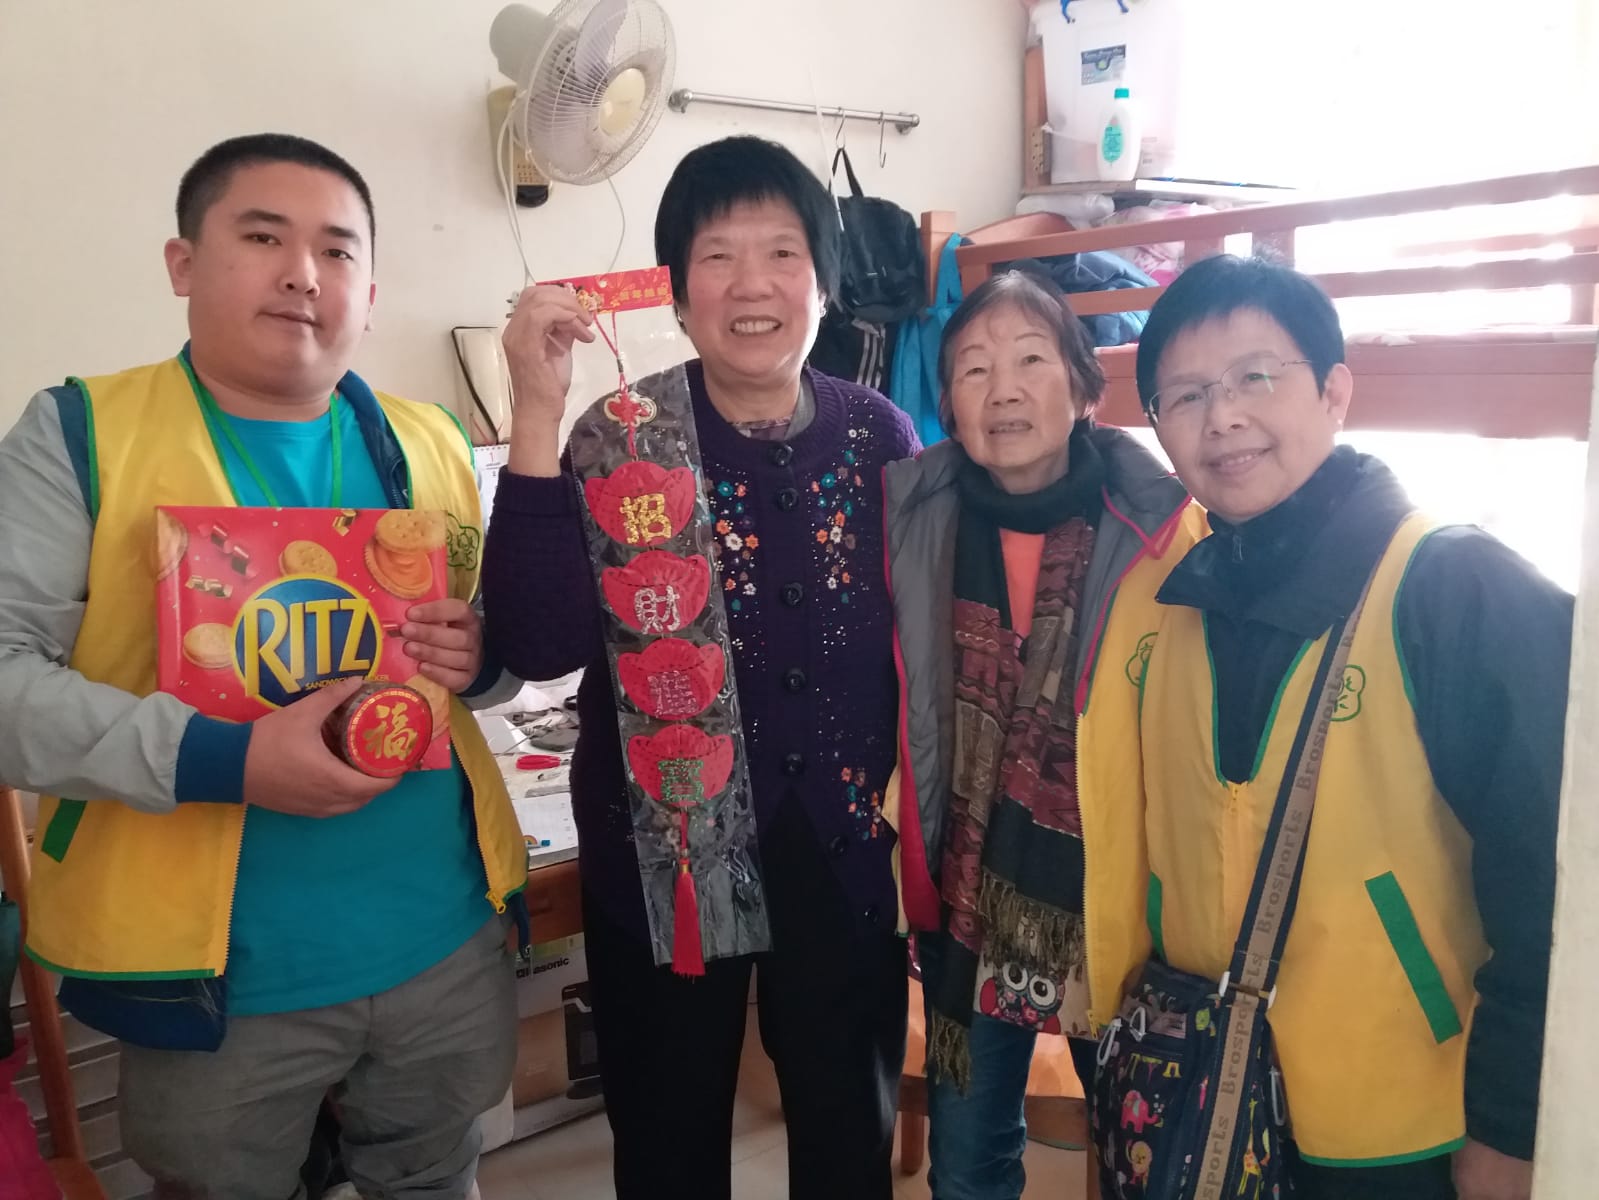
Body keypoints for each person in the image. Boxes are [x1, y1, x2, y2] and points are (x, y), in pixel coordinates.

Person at [0, 133, 528, 1200]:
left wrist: (481, 659)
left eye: (337, 250)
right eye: (261, 238)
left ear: (369, 292)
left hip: (443, 939)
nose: (302, 273)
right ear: (183, 264)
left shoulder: (432, 441)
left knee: (437, 1174)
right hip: (217, 984)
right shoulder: (79, 436)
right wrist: (226, 760)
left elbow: (491, 658)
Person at [482, 135, 919, 1199]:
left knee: (845, 1140)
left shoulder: (879, 435)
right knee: (668, 1145)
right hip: (662, 858)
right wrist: (534, 409)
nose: (753, 283)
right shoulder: (620, 435)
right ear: (676, 294)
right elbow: (537, 646)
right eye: (719, 256)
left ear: (824, 283)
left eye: (783, 252)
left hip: (842, 851)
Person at [1098, 254, 1566, 1200]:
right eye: (1184, 395)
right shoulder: (1169, 598)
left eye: (1254, 377)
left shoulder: (1451, 584)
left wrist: (1510, 1126)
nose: (1221, 417)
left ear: (1335, 391)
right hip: (1205, 1089)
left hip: (1404, 1117)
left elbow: (1550, 882)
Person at [883, 270, 1202, 1200]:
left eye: (1031, 360)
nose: (1004, 391)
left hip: (1114, 898)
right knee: (967, 1163)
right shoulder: (911, 518)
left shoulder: (1161, 527)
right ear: (948, 404)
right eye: (974, 370)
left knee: (1146, 1160)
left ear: (1083, 387)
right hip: (971, 890)